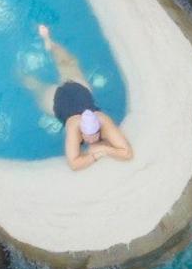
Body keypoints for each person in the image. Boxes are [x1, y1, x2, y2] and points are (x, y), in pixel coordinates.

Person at [19, 24, 134, 172]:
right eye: (89, 137)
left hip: (79, 88)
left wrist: (105, 149)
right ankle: (22, 71)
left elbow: (127, 153)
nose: (92, 140)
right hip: (56, 99)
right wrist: (96, 155)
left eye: (95, 136)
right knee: (35, 86)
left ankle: (49, 42)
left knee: (68, 61)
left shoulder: (104, 121)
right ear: (82, 131)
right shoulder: (74, 128)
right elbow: (74, 164)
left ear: (99, 128)